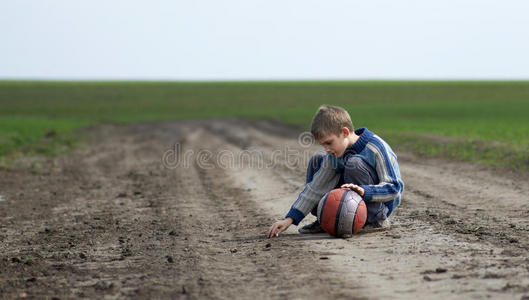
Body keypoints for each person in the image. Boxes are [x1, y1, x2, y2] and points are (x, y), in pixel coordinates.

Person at [267, 105, 404, 238]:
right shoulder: (333, 155)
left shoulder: (375, 147)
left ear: (344, 132)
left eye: (329, 143)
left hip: (381, 204)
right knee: (317, 160)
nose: (326, 149)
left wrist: (364, 191)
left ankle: (375, 220)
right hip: (352, 201)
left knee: (354, 163)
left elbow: (394, 188)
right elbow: (315, 187)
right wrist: (289, 219)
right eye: (323, 145)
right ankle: (326, 220)